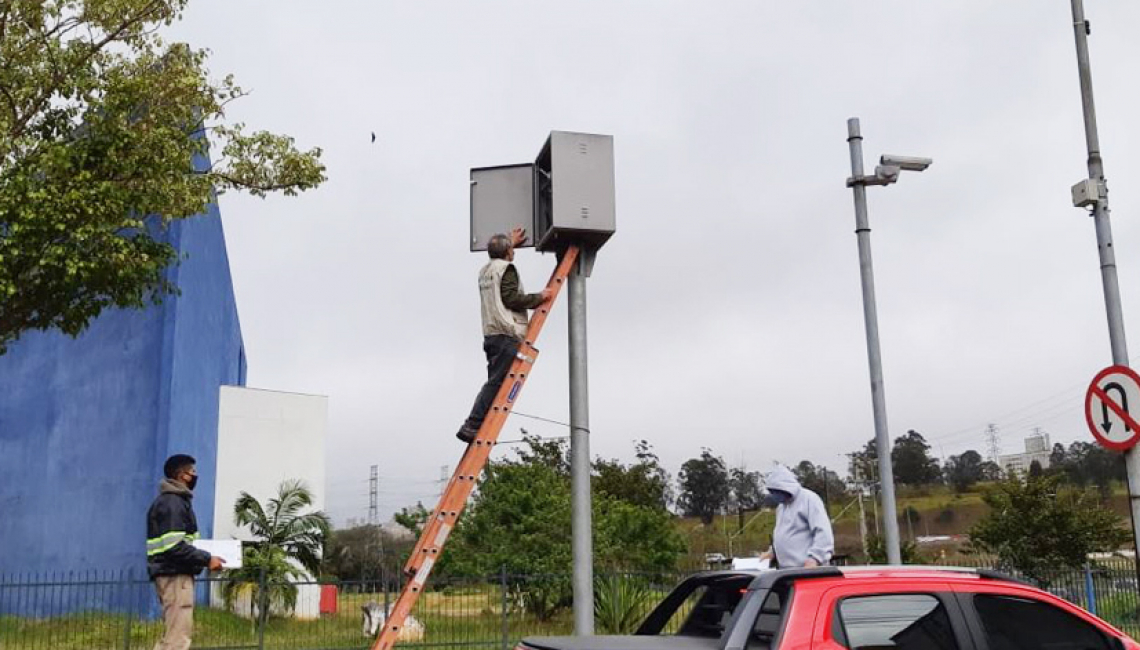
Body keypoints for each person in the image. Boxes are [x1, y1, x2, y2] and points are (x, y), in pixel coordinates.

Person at [457, 227, 552, 442]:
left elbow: (497, 256)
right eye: (511, 249)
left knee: (494, 381)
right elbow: (511, 299)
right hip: (507, 331)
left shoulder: (485, 270)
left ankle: (476, 424)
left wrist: (508, 242)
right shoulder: (507, 269)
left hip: (492, 334)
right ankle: (472, 424)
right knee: (496, 383)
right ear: (508, 251)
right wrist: (539, 297)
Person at [146, 454, 224, 650]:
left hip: (173, 574)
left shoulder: (174, 502)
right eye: (193, 472)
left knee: (173, 634)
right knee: (177, 638)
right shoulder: (173, 503)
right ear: (182, 476)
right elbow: (175, 546)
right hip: (175, 576)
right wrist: (207, 559)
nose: (195, 476)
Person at [759, 464, 834, 568]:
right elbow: (784, 535)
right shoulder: (781, 507)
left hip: (809, 570)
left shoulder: (809, 499)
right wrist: (772, 552)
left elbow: (823, 533)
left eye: (776, 491)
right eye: (771, 492)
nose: (774, 495)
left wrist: (815, 558)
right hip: (787, 571)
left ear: (785, 487)